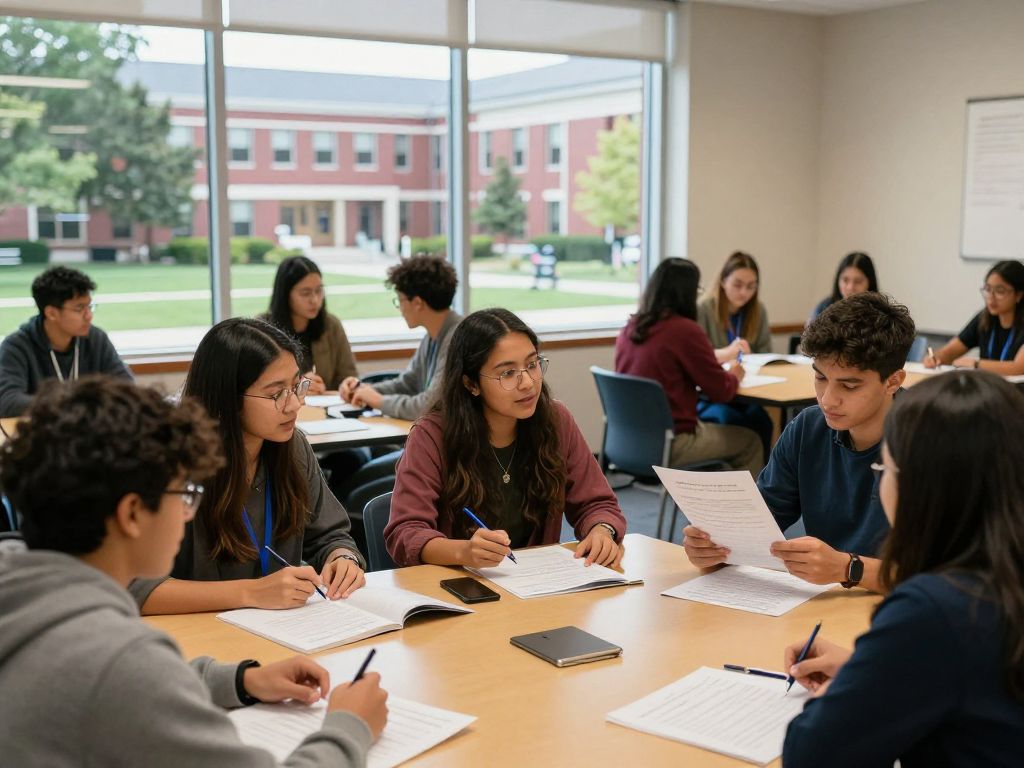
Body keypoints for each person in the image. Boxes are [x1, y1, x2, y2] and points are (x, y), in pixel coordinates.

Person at [0, 376, 388, 767]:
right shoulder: (120, 662)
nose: (189, 510)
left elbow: (123, 680)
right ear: (132, 513)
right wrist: (348, 725)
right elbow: (125, 676)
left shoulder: (17, 579)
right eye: (183, 493)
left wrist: (239, 680)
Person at [782, 371, 1024, 766]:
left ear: (921, 487)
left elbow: (811, 754)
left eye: (886, 471)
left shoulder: (935, 608)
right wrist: (880, 670)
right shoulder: (1001, 575)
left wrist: (850, 690)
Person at [130, 318, 366, 614]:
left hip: (283, 632)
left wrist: (343, 559)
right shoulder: (170, 461)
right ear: (228, 397)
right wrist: (251, 593)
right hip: (195, 639)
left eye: (297, 386)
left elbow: (330, 535)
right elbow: (135, 588)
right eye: (276, 393)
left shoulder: (292, 448)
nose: (294, 405)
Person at [683, 292, 916, 593]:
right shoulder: (808, 428)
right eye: (820, 378)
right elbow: (757, 525)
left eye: (849, 385)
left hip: (904, 613)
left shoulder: (931, 442)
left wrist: (849, 568)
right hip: (824, 604)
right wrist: (716, 548)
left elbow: (953, 579)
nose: (827, 399)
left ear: (893, 381)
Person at [385, 308, 626, 568]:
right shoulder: (432, 435)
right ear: (471, 384)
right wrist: (462, 552)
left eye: (532, 365)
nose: (527, 383)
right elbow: (406, 531)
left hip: (537, 586)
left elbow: (597, 502)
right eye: (507, 373)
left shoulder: (555, 420)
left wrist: (602, 530)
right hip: (459, 586)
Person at [615, 258, 763, 477]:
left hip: (626, 442)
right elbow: (721, 392)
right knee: (750, 441)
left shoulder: (630, 328)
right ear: (688, 293)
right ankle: (738, 510)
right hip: (672, 442)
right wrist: (735, 374)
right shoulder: (684, 331)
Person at [0, 265, 131, 417]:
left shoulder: (96, 339)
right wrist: (71, 403)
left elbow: (127, 388)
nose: (88, 316)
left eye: (90, 307)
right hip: (41, 434)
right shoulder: (17, 346)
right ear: (52, 313)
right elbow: (7, 402)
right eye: (79, 308)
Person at [341, 255, 461, 420]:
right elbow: (409, 383)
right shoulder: (433, 336)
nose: (400, 308)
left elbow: (429, 407)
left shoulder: (458, 338)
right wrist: (363, 389)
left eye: (400, 300)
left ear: (417, 303)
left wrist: (380, 401)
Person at [695, 251, 774, 459]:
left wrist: (751, 357)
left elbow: (765, 353)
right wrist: (728, 355)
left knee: (763, 421)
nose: (744, 292)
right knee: (735, 421)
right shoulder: (703, 309)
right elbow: (695, 357)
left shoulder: (758, 311)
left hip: (744, 391)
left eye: (751, 286)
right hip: (710, 395)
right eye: (737, 284)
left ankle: (763, 486)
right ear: (723, 280)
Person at [263, 255, 357, 394]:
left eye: (319, 291)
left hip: (326, 410)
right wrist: (298, 388)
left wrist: (346, 386)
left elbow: (349, 377)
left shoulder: (331, 325)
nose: (315, 300)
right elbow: (258, 387)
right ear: (285, 295)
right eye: (305, 293)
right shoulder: (263, 329)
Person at [925, 259, 1024, 375]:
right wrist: (935, 358)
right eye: (988, 289)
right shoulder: (984, 318)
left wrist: (976, 364)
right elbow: (949, 352)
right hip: (989, 388)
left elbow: (1019, 368)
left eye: (1000, 291)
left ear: (1019, 295)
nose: (991, 297)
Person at [809, 251, 878, 322]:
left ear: (870, 282)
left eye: (858, 281)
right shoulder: (824, 308)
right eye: (845, 280)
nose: (850, 287)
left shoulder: (879, 312)